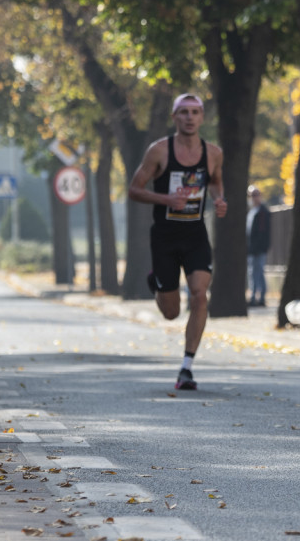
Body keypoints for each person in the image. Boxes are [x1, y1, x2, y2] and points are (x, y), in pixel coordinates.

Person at [128, 93, 227, 390]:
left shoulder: (213, 153)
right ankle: (157, 283)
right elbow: (134, 189)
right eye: (183, 112)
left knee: (199, 295)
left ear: (202, 117)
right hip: (165, 236)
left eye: (195, 112)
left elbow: (215, 181)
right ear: (175, 117)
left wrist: (220, 200)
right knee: (171, 312)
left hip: (195, 234)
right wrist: (166, 199)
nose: (189, 117)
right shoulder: (159, 151)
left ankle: (186, 367)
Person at [246, 185, 271, 306]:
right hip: (251, 249)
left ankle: (261, 297)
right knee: (252, 273)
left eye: (256, 195)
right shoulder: (251, 211)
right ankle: (253, 295)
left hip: (259, 249)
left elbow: (263, 232)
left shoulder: (263, 212)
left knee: (259, 272)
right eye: (251, 195)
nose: (254, 197)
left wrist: (258, 247)